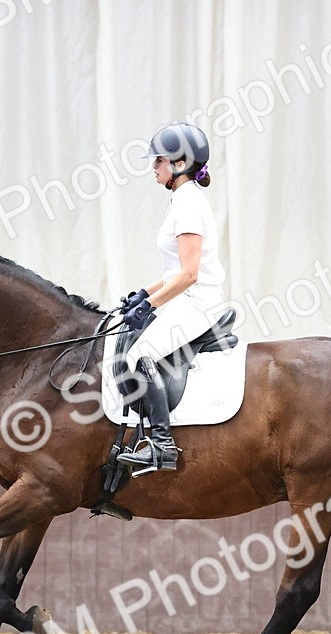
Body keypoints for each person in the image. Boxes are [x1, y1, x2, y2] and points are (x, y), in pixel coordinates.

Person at [117, 122, 226, 472]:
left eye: (159, 160)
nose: (154, 166)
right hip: (186, 297)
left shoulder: (189, 204)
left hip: (198, 302)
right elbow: (173, 272)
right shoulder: (181, 199)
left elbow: (190, 274)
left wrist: (151, 305)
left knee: (140, 354)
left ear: (180, 164)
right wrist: (143, 294)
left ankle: (162, 446)